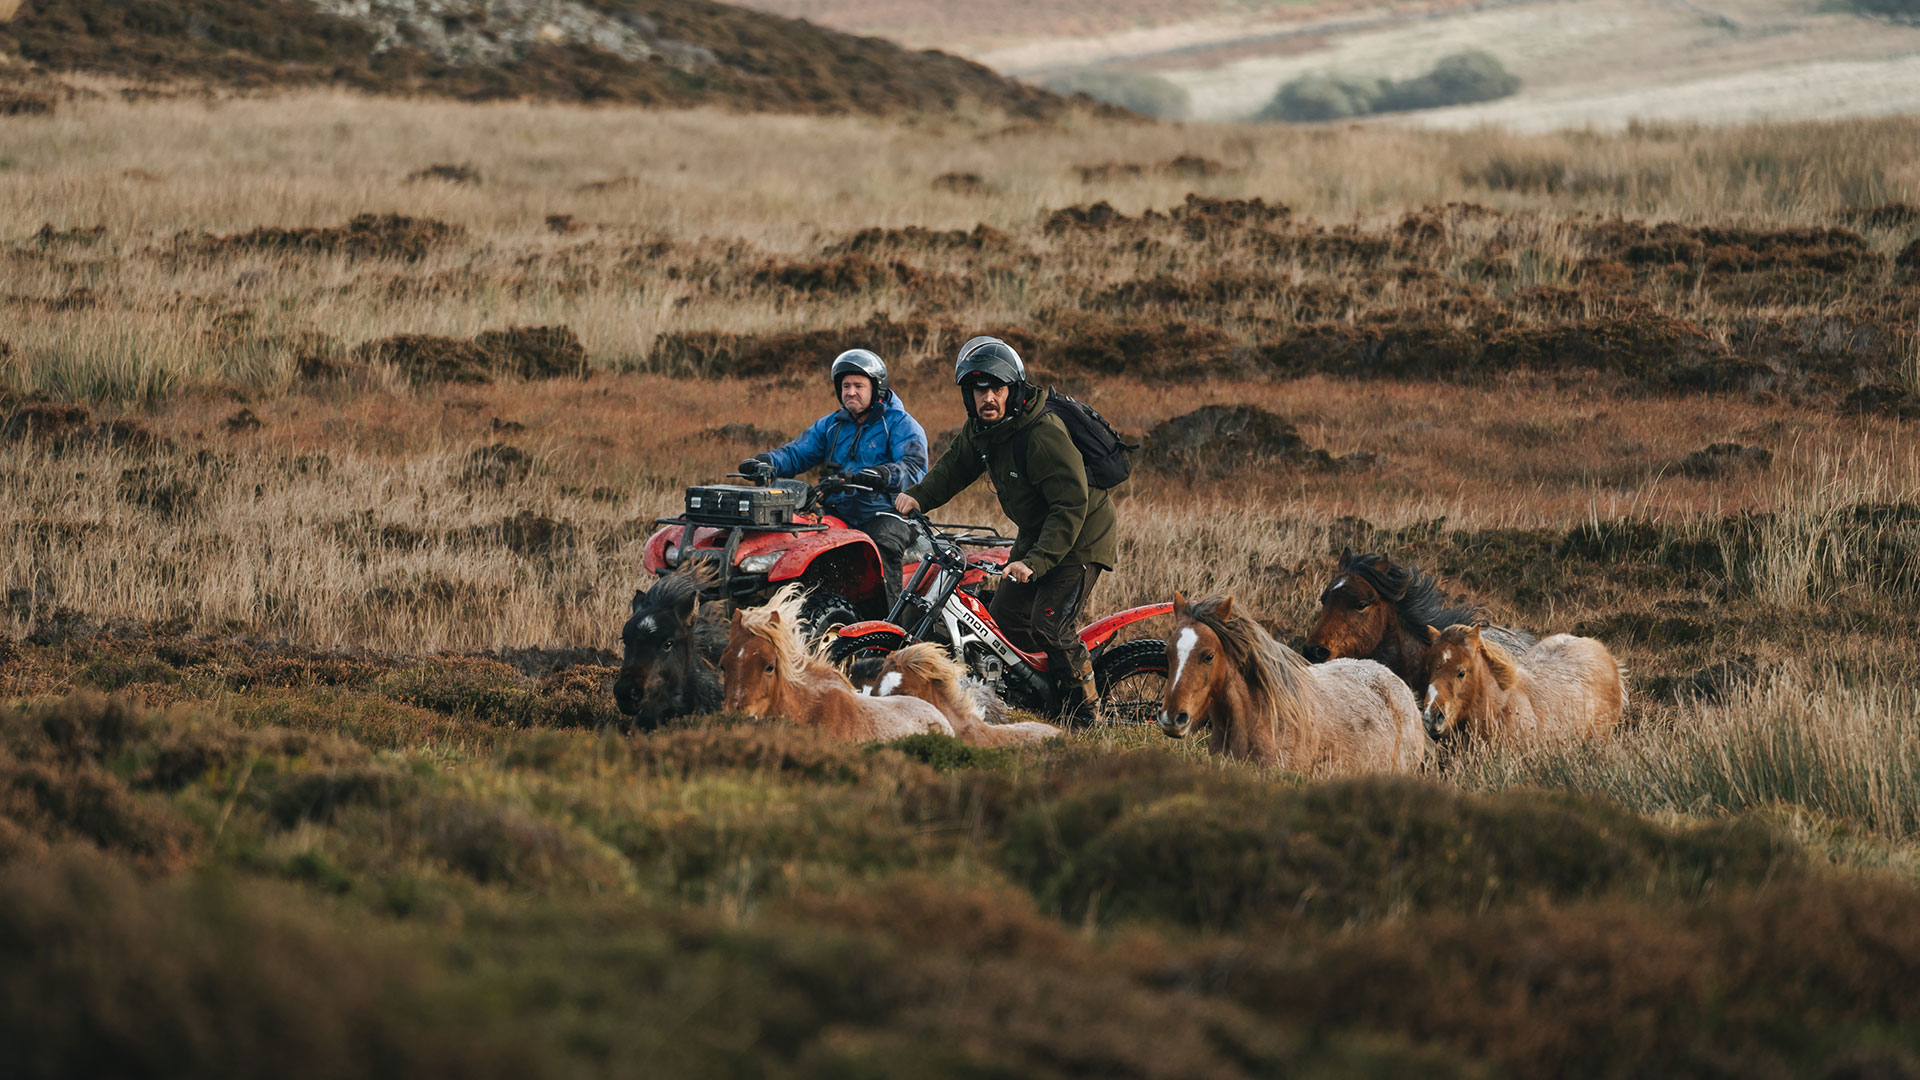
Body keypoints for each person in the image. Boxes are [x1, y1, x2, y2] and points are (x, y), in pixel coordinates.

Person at [893, 336, 1118, 723]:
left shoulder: (1041, 433)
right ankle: (1044, 694)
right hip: (1038, 529)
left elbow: (1070, 505)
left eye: (996, 388)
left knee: (1050, 622)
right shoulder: (982, 429)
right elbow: (955, 466)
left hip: (1080, 535)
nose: (988, 399)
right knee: (1005, 616)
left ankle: (1085, 716)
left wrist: (1036, 561)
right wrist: (917, 496)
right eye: (978, 391)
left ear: (1012, 390)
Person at [742, 349, 927, 613]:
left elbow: (913, 467)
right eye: (846, 386)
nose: (851, 392)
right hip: (839, 512)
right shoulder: (832, 425)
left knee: (881, 541)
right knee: (797, 535)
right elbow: (797, 452)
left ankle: (890, 623)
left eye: (858, 386)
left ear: (877, 388)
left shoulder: (899, 423)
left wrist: (881, 475)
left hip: (888, 513)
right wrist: (766, 462)